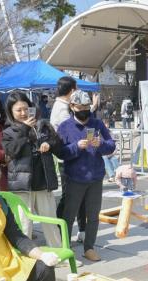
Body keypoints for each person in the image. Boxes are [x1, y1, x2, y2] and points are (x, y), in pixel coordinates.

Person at [57, 90, 116, 261]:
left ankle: (89, 247)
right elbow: (61, 152)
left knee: (93, 214)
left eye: (87, 106)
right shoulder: (65, 126)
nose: (84, 110)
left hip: (96, 177)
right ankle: (65, 248)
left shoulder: (97, 123)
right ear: (72, 106)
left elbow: (111, 146)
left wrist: (101, 144)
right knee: (69, 215)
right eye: (80, 106)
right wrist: (76, 146)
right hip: (75, 177)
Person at [2, 91, 62, 248]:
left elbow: (57, 142)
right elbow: (11, 151)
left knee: (50, 220)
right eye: (18, 110)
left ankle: (58, 253)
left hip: (43, 180)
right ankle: (25, 256)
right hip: (22, 184)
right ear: (11, 112)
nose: (23, 113)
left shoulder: (42, 125)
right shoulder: (8, 131)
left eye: (25, 108)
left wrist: (49, 143)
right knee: (24, 223)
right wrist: (24, 128)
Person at [50, 76, 86, 243]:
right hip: (69, 159)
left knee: (78, 197)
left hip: (74, 158)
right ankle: (61, 234)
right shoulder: (62, 109)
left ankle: (81, 230)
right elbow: (73, 133)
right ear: (72, 90)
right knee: (69, 198)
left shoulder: (62, 106)